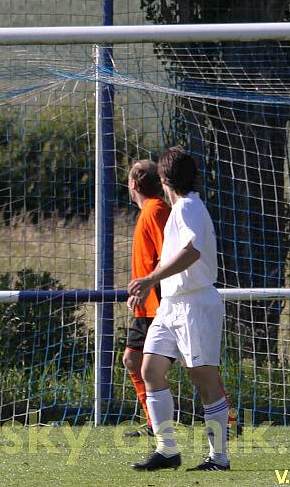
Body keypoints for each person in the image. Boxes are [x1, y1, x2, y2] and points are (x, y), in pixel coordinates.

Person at [128, 147, 230, 472]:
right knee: (150, 370)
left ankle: (218, 458)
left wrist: (151, 277)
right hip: (171, 305)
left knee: (204, 379)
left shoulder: (187, 208)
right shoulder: (178, 209)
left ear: (164, 179)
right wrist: (152, 284)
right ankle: (167, 450)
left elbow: (192, 251)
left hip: (195, 304)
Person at [123, 160, 170, 439]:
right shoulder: (149, 211)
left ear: (132, 184)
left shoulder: (156, 210)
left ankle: (227, 418)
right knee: (132, 359)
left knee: (195, 362)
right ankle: (153, 422)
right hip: (147, 305)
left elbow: (168, 258)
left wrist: (150, 287)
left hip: (161, 304)